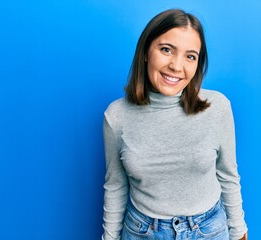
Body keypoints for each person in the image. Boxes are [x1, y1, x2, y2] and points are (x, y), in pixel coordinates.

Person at [102, 9, 248, 240]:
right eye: (166, 50)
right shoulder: (116, 116)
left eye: (190, 56)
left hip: (209, 231)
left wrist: (239, 231)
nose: (176, 66)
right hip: (142, 232)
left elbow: (228, 175)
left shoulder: (218, 107)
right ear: (146, 52)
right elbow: (116, 186)